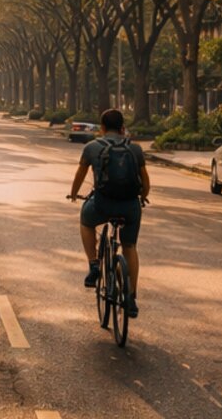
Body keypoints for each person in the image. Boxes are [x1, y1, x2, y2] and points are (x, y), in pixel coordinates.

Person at [65, 108, 150, 317]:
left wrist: (74, 194)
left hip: (102, 205)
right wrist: (142, 197)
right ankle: (131, 297)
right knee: (129, 246)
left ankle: (94, 264)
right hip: (130, 207)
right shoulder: (136, 149)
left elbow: (80, 174)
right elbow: (145, 182)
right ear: (123, 127)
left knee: (86, 221)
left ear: (102, 127)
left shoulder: (92, 147)